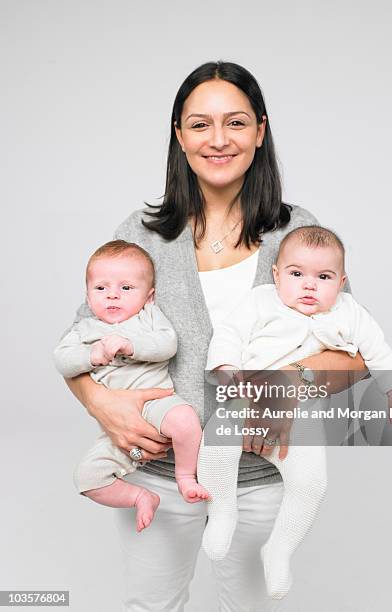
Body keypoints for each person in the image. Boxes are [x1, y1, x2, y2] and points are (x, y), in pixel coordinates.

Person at [62, 61, 367, 611]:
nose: (219, 140)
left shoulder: (297, 233)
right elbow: (80, 342)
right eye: (200, 125)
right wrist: (102, 404)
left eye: (236, 123)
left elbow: (353, 358)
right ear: (179, 137)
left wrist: (281, 390)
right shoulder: (140, 234)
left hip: (258, 476)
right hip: (154, 473)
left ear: (260, 132)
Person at [199, 225, 392, 599]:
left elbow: (377, 352)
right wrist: (227, 372)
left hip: (301, 417)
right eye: (297, 275)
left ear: (342, 282)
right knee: (216, 447)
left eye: (324, 277)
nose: (309, 286)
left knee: (311, 484)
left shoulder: (350, 312)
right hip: (245, 394)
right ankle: (222, 512)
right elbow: (230, 335)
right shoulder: (260, 302)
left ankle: (279, 550)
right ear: (276, 275)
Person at [54, 240, 209, 533]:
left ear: (149, 296)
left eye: (126, 288)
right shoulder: (84, 330)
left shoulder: (149, 317)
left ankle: (186, 475)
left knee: (186, 421)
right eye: (101, 288)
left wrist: (131, 345)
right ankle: (141, 496)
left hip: (158, 403)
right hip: (118, 420)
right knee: (87, 478)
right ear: (87, 296)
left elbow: (167, 344)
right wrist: (92, 355)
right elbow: (62, 360)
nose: (112, 294)